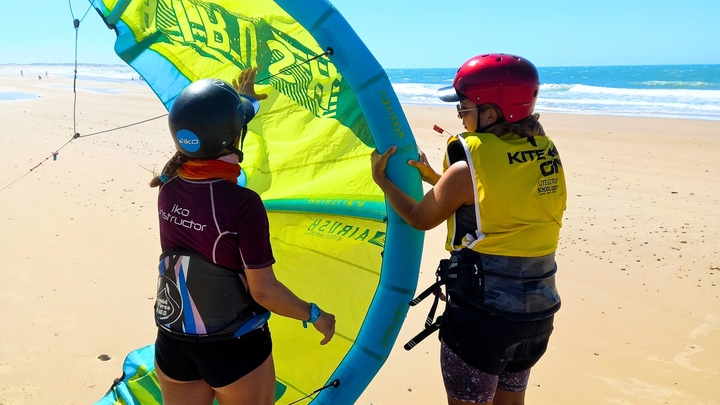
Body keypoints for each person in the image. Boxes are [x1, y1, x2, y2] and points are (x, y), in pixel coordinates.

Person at [371, 54, 566, 405]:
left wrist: (382, 180)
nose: (460, 116)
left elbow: (419, 217)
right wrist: (437, 179)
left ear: (490, 114)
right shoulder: (544, 150)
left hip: (483, 322)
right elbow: (502, 198)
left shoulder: (465, 171)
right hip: (537, 319)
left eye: (463, 108)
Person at [149, 68, 336, 405]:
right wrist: (314, 315)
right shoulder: (242, 204)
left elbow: (215, 132)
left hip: (173, 342)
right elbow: (264, 291)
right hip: (232, 348)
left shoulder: (168, 186)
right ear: (235, 137)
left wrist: (246, 100)